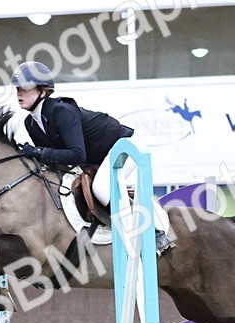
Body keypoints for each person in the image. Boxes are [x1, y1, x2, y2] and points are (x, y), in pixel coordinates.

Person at [11, 61, 174, 255]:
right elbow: (57, 159)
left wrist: (38, 152)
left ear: (43, 91)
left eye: (25, 88)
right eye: (18, 88)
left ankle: (153, 231)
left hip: (124, 146)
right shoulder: (31, 123)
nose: (19, 93)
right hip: (97, 157)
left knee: (102, 189)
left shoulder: (61, 110)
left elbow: (77, 154)